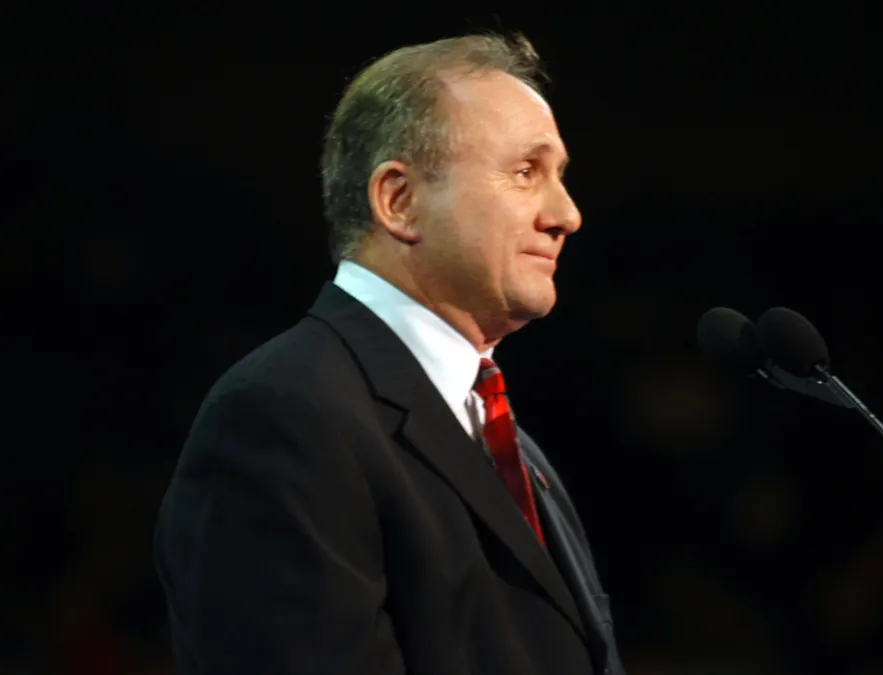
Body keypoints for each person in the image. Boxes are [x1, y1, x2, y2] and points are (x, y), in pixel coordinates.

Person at [154, 33, 624, 675]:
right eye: (525, 172)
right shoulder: (283, 414)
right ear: (399, 201)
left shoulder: (501, 434)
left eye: (559, 176)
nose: (566, 214)